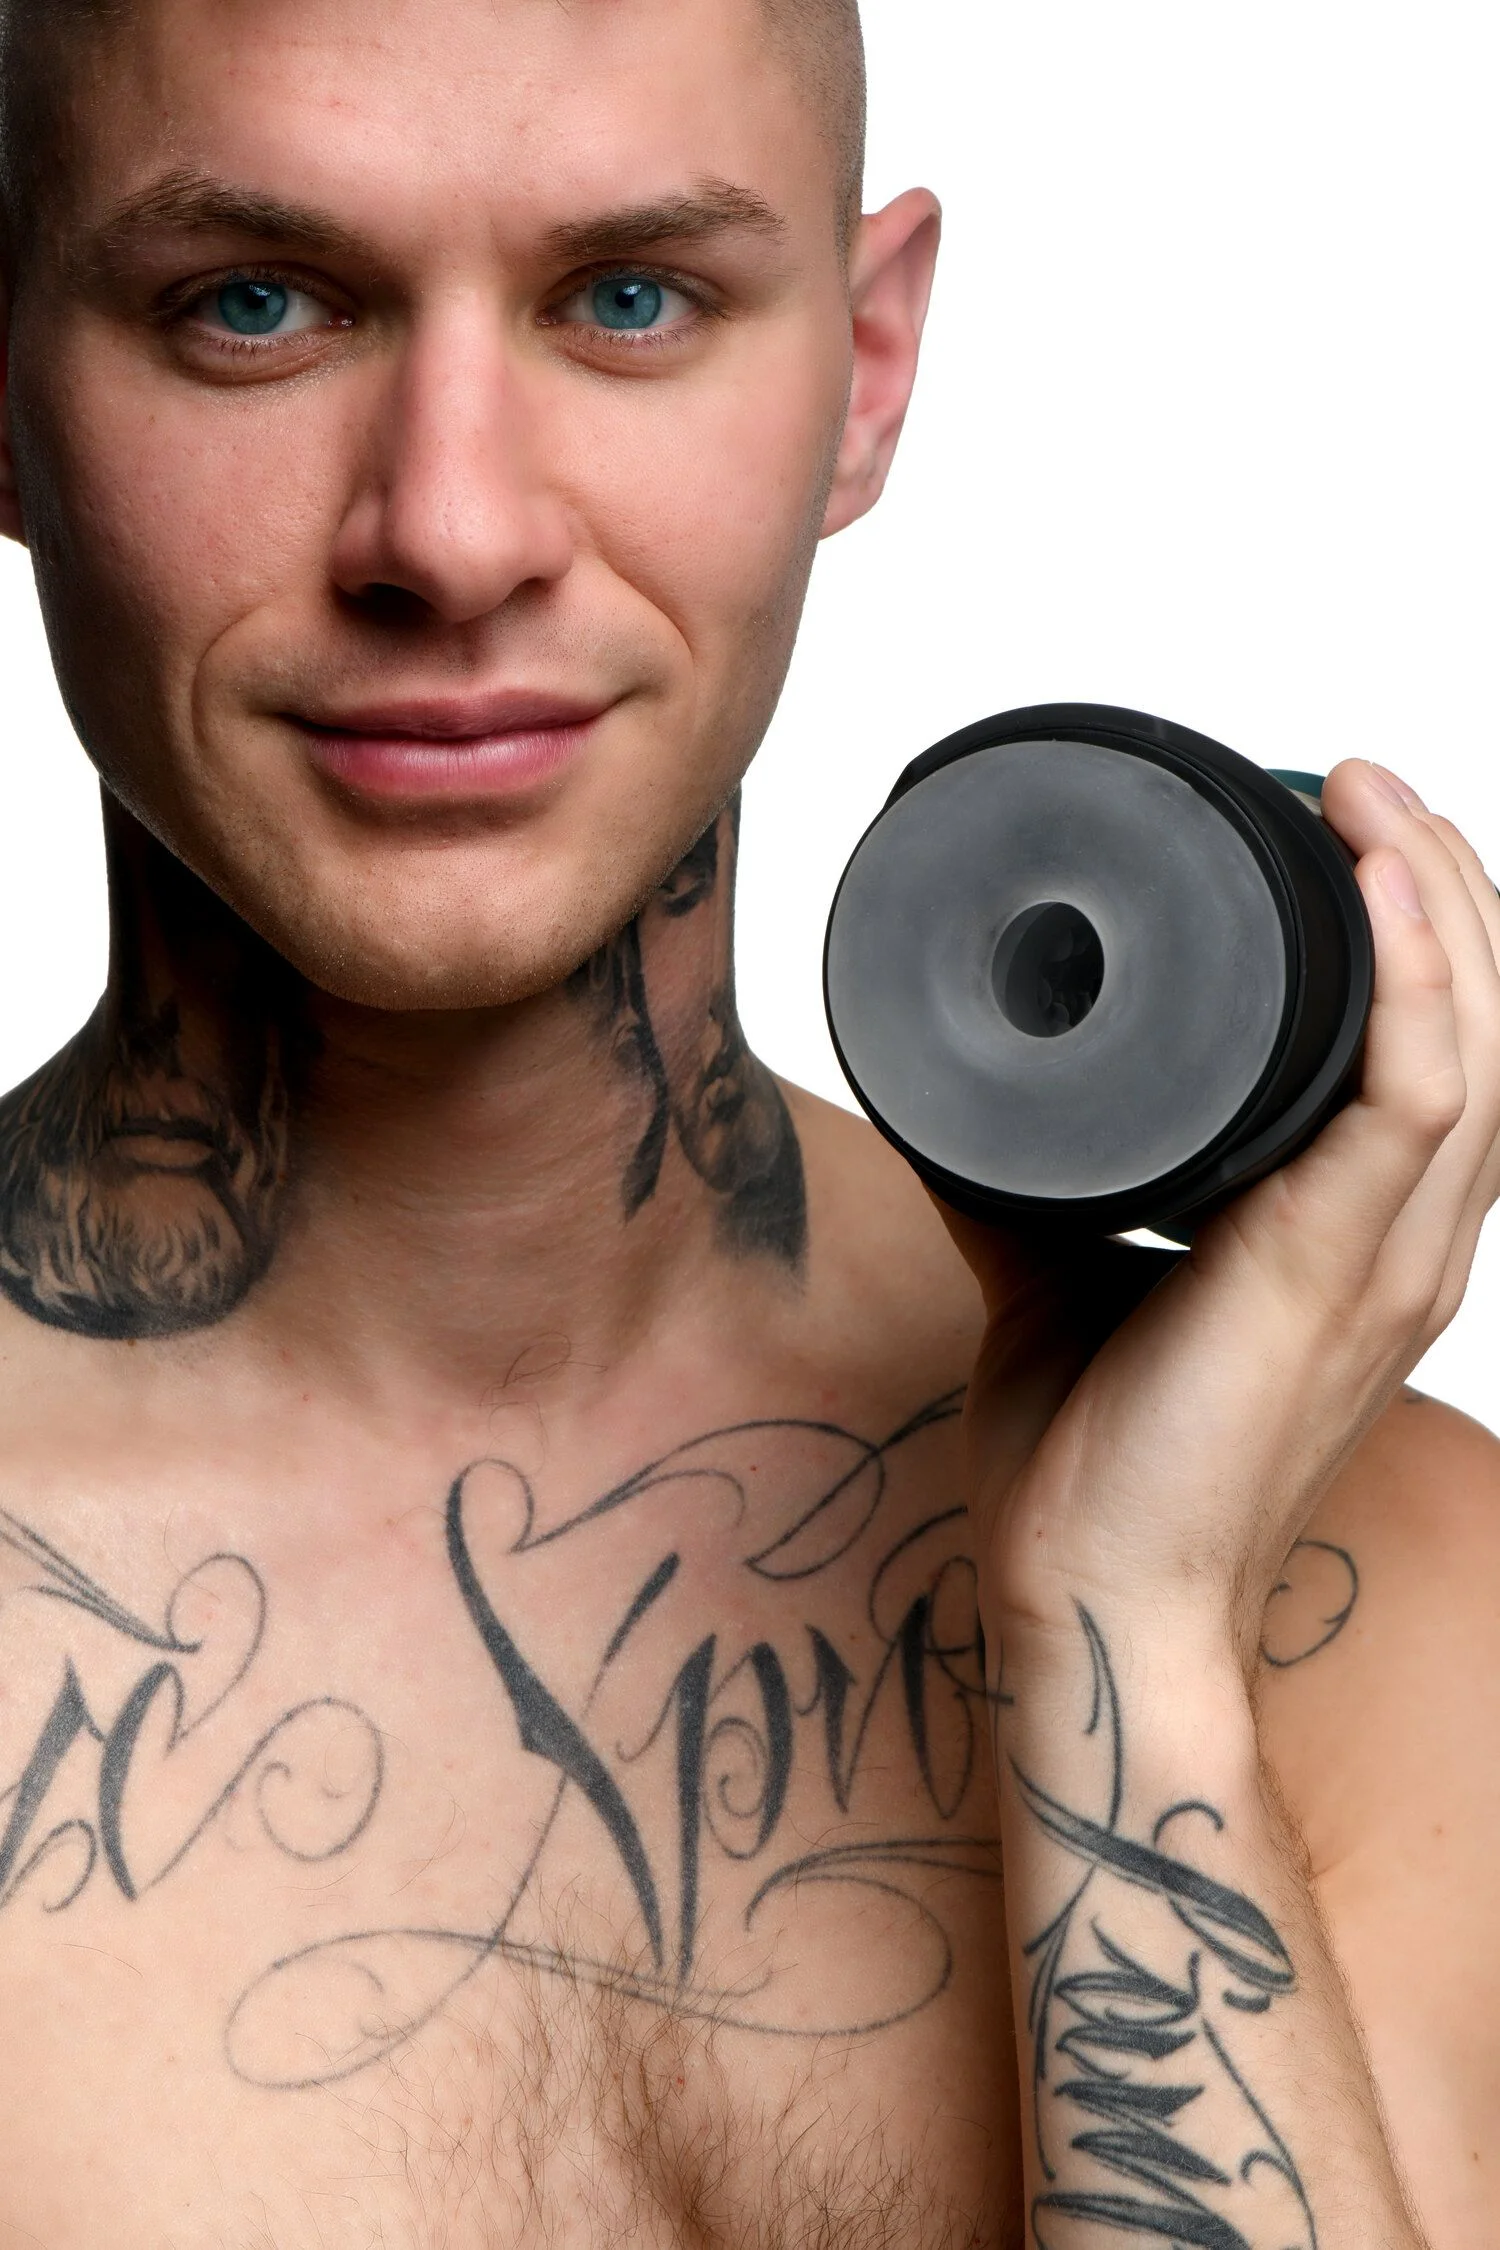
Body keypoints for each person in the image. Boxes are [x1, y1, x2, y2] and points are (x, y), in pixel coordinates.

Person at [0, 0, 1496, 2242]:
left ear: (865, 370)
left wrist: (1131, 1631)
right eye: (255, 305)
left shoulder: (1403, 1585)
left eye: (629, 299)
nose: (453, 532)